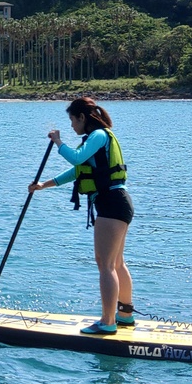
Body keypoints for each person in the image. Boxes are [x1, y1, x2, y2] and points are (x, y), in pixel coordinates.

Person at [28, 96, 134, 336]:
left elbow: (75, 158)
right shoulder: (98, 139)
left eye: (72, 121)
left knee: (105, 265)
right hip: (119, 202)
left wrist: (58, 142)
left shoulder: (98, 135)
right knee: (116, 263)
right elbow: (78, 170)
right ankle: (125, 316)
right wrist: (44, 185)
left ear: (82, 118)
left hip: (111, 203)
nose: (72, 126)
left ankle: (108, 322)